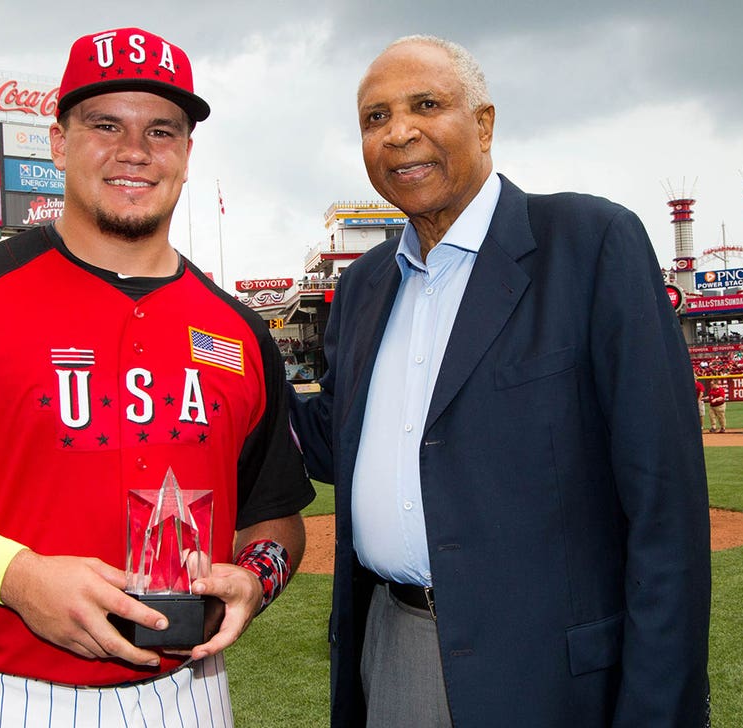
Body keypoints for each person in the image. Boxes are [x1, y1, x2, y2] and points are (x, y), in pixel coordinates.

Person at [0, 26, 313, 726]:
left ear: (187, 153)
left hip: (193, 694)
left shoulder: (238, 330)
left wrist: (256, 579)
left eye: (162, 131)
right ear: (57, 142)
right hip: (6, 696)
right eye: (105, 124)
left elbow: (276, 515)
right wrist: (17, 578)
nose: (134, 151)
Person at [290, 35, 710, 727]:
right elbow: (337, 440)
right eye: (375, 118)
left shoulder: (589, 243)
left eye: (426, 104)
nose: (399, 132)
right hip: (396, 644)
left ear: (484, 123)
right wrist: (220, 350)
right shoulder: (364, 286)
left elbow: (664, 509)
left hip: (548, 672)